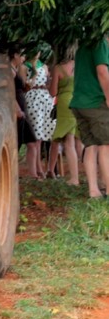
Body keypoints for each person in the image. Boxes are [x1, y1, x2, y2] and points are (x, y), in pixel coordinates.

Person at [69, 34, 109, 199]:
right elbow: (102, 71)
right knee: (106, 146)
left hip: (79, 102)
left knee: (90, 146)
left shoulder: (84, 44)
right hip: (95, 102)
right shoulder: (100, 43)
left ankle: (93, 190)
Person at [20, 49, 56, 178]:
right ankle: (38, 169)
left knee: (44, 134)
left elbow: (48, 84)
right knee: (36, 134)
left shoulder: (44, 66)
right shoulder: (24, 67)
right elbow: (24, 85)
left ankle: (43, 168)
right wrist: (34, 73)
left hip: (45, 98)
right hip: (32, 97)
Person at [48, 44, 80, 185]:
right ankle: (79, 175)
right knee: (75, 140)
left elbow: (53, 92)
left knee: (65, 140)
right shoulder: (80, 67)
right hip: (78, 102)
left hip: (64, 104)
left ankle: (72, 177)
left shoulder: (58, 68)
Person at [9, 46, 39, 179]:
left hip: (22, 109)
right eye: (21, 55)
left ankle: (33, 174)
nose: (23, 58)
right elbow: (8, 93)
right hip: (17, 111)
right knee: (17, 143)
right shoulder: (9, 71)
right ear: (15, 55)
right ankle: (11, 173)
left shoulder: (16, 69)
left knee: (32, 142)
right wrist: (17, 109)